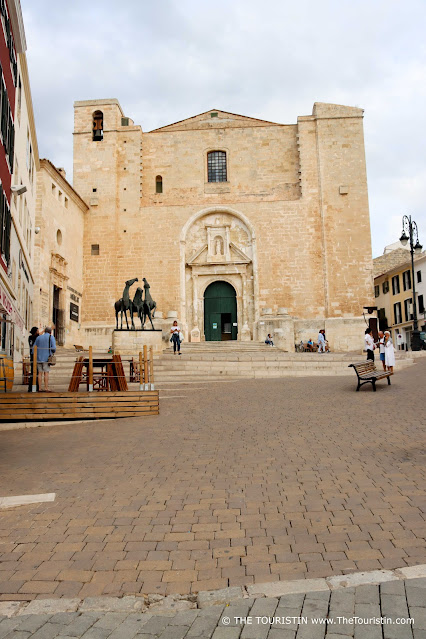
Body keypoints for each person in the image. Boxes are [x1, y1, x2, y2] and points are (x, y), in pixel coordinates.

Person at [34, 326, 56, 391]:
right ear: (50, 332)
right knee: (46, 373)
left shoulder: (38, 337)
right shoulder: (51, 337)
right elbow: (54, 348)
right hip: (47, 358)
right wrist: (52, 351)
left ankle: (40, 388)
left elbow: (34, 347)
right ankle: (46, 387)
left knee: (39, 373)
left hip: (38, 358)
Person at [27, 327, 40, 392]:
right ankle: (35, 387)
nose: (38, 332)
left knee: (32, 372)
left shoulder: (29, 337)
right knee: (35, 372)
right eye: (37, 331)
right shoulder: (36, 338)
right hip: (35, 356)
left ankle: (30, 387)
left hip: (32, 356)